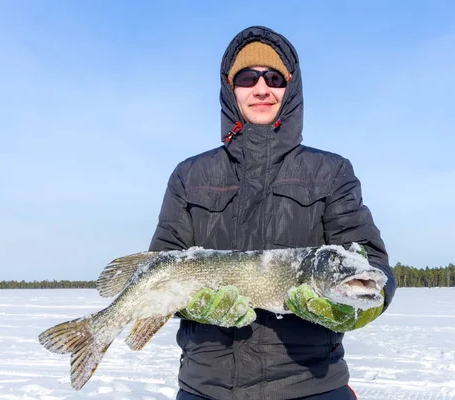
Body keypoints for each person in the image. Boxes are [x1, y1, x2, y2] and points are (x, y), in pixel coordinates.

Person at [149, 25, 396, 400]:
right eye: (247, 77)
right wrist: (191, 304)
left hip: (310, 385)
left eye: (274, 78)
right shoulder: (189, 175)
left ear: (291, 88)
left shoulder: (331, 172)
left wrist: (358, 310)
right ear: (231, 89)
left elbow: (373, 266)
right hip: (207, 388)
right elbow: (160, 267)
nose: (261, 88)